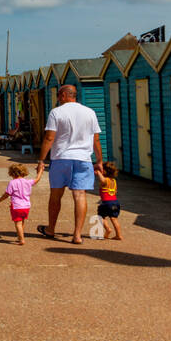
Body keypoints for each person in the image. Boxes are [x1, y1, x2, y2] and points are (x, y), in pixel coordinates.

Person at [36, 84, 103, 245]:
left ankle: (51, 229)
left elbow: (49, 138)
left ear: (65, 95)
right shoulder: (90, 112)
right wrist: (99, 160)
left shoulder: (56, 112)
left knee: (56, 195)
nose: (58, 98)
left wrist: (41, 160)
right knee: (80, 196)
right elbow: (96, 140)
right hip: (83, 159)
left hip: (61, 159)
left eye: (59, 95)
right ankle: (77, 235)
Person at [0, 164, 42, 245]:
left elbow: (7, 194)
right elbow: (37, 179)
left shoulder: (12, 183)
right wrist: (40, 170)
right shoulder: (28, 182)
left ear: (12, 173)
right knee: (22, 221)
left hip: (16, 206)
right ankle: (19, 236)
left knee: (18, 223)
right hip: (26, 206)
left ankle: (21, 240)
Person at [96, 162, 123, 240]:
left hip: (107, 203)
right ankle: (118, 235)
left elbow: (102, 180)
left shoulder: (105, 181)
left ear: (104, 171)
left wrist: (98, 172)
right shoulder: (114, 181)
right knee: (114, 218)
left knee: (100, 217)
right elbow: (115, 192)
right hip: (115, 202)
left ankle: (108, 229)